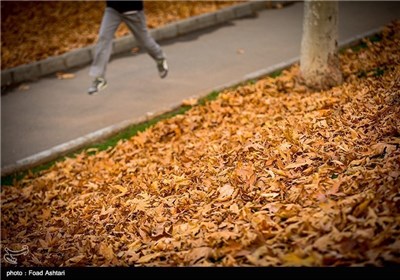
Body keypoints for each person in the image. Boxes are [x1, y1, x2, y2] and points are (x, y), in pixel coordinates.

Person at [88, 0, 168, 95]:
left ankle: (160, 57)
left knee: (144, 40)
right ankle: (99, 78)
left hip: (133, 10)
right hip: (113, 9)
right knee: (103, 38)